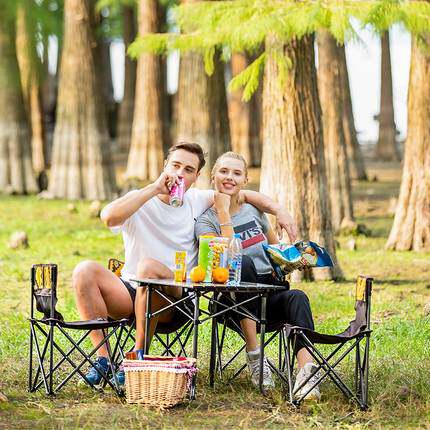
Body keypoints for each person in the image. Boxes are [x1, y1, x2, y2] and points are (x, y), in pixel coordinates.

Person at [72, 142, 298, 387]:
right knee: (84, 270)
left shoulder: (197, 200)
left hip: (177, 299)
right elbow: (108, 218)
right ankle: (103, 360)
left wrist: (279, 210)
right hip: (130, 292)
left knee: (149, 268)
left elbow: (238, 194)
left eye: (188, 170)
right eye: (175, 166)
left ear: (197, 176)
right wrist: (153, 189)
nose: (180, 173)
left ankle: (137, 358)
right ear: (165, 166)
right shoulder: (139, 198)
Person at [194, 151, 320, 400]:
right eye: (224, 171)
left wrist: (291, 260)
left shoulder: (254, 211)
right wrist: (223, 213)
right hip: (230, 300)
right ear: (213, 176)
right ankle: (255, 355)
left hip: (268, 292)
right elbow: (226, 258)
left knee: (298, 297)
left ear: (245, 180)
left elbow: (274, 251)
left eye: (236, 173)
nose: (230, 177)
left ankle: (307, 374)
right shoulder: (205, 222)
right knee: (244, 262)